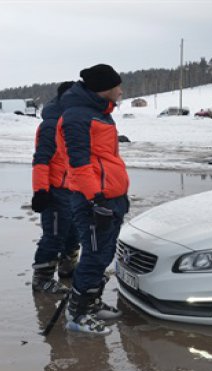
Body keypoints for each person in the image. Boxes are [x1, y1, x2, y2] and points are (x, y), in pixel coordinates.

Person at [57, 64, 129, 335]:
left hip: (111, 196)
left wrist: (118, 195)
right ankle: (77, 314)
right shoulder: (77, 117)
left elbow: (106, 160)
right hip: (94, 200)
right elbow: (78, 163)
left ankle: (91, 302)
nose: (121, 91)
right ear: (104, 88)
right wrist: (94, 198)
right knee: (95, 256)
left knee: (106, 253)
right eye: (118, 86)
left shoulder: (100, 113)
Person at [31, 81, 79, 295]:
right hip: (55, 190)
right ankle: (42, 279)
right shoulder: (51, 124)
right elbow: (41, 160)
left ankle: (68, 269)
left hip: (75, 188)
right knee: (55, 235)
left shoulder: (73, 120)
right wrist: (41, 191)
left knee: (74, 232)